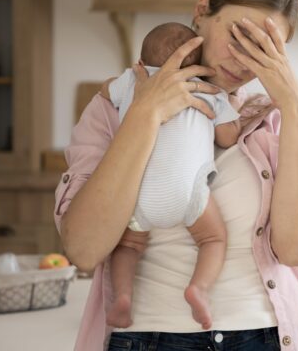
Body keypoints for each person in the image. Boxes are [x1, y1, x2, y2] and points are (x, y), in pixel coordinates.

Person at [54, 0, 298, 351]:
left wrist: (296, 105)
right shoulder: (114, 108)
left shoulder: (276, 121)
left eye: (265, 51)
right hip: (145, 338)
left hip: (266, 336)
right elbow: (84, 249)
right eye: (239, 39)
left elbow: (297, 248)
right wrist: (145, 114)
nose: (243, 62)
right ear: (202, 10)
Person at [102, 22, 242, 330]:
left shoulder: (132, 81)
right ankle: (199, 289)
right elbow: (229, 138)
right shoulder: (209, 91)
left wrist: (128, 80)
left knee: (127, 246)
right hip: (187, 192)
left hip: (137, 192)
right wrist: (231, 108)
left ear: (141, 63)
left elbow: (104, 93)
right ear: (201, 66)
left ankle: (122, 297)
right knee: (213, 238)